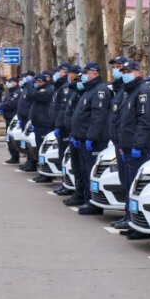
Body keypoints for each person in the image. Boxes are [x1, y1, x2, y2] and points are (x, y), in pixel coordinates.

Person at [117, 61, 150, 240]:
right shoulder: (131, 92)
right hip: (128, 148)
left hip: (138, 150)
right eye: (123, 71)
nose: (124, 74)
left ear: (138, 72)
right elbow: (125, 122)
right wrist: (122, 145)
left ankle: (141, 227)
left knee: (138, 189)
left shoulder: (144, 93)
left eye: (128, 71)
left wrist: (137, 146)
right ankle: (132, 221)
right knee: (130, 187)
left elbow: (145, 123)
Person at [70, 61, 112, 215]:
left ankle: (93, 203)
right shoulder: (89, 90)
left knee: (90, 172)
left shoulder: (100, 91)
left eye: (86, 73)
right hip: (83, 139)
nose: (83, 76)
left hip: (94, 140)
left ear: (95, 73)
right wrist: (76, 135)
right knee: (83, 170)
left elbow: (98, 118)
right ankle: (88, 200)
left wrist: (91, 137)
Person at [107, 56, 131, 230]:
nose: (116, 70)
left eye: (119, 67)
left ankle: (131, 217)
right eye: (114, 67)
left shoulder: (129, 91)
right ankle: (127, 215)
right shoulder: (118, 89)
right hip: (119, 143)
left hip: (128, 145)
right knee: (124, 181)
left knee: (130, 183)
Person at [62, 65, 85, 203]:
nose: (69, 77)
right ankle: (78, 193)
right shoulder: (75, 92)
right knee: (76, 166)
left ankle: (82, 195)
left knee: (82, 168)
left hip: (81, 136)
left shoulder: (84, 93)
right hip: (73, 133)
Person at [29, 71, 56, 183]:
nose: (38, 83)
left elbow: (33, 95)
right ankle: (42, 172)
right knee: (40, 150)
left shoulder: (48, 90)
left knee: (43, 150)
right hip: (39, 124)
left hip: (45, 125)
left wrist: (31, 86)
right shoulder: (40, 89)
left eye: (40, 81)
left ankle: (46, 174)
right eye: (36, 82)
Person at [50, 63, 71, 192]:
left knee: (65, 156)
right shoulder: (60, 86)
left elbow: (64, 110)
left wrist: (59, 125)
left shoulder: (66, 87)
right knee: (62, 156)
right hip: (59, 127)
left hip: (64, 128)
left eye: (59, 71)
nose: (57, 73)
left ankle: (66, 184)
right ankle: (64, 182)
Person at [17, 70, 37, 171]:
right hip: (23, 118)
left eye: (26, 76)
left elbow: (31, 102)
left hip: (28, 119)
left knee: (30, 142)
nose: (23, 78)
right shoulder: (25, 87)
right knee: (25, 142)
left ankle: (32, 162)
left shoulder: (32, 86)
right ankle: (29, 161)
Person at [0, 77, 21, 164]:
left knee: (12, 139)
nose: (8, 83)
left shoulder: (17, 92)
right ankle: (13, 155)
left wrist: (2, 106)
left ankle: (15, 156)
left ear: (15, 83)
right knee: (9, 139)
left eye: (10, 82)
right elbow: (4, 101)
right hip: (8, 118)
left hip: (13, 119)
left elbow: (11, 104)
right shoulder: (10, 92)